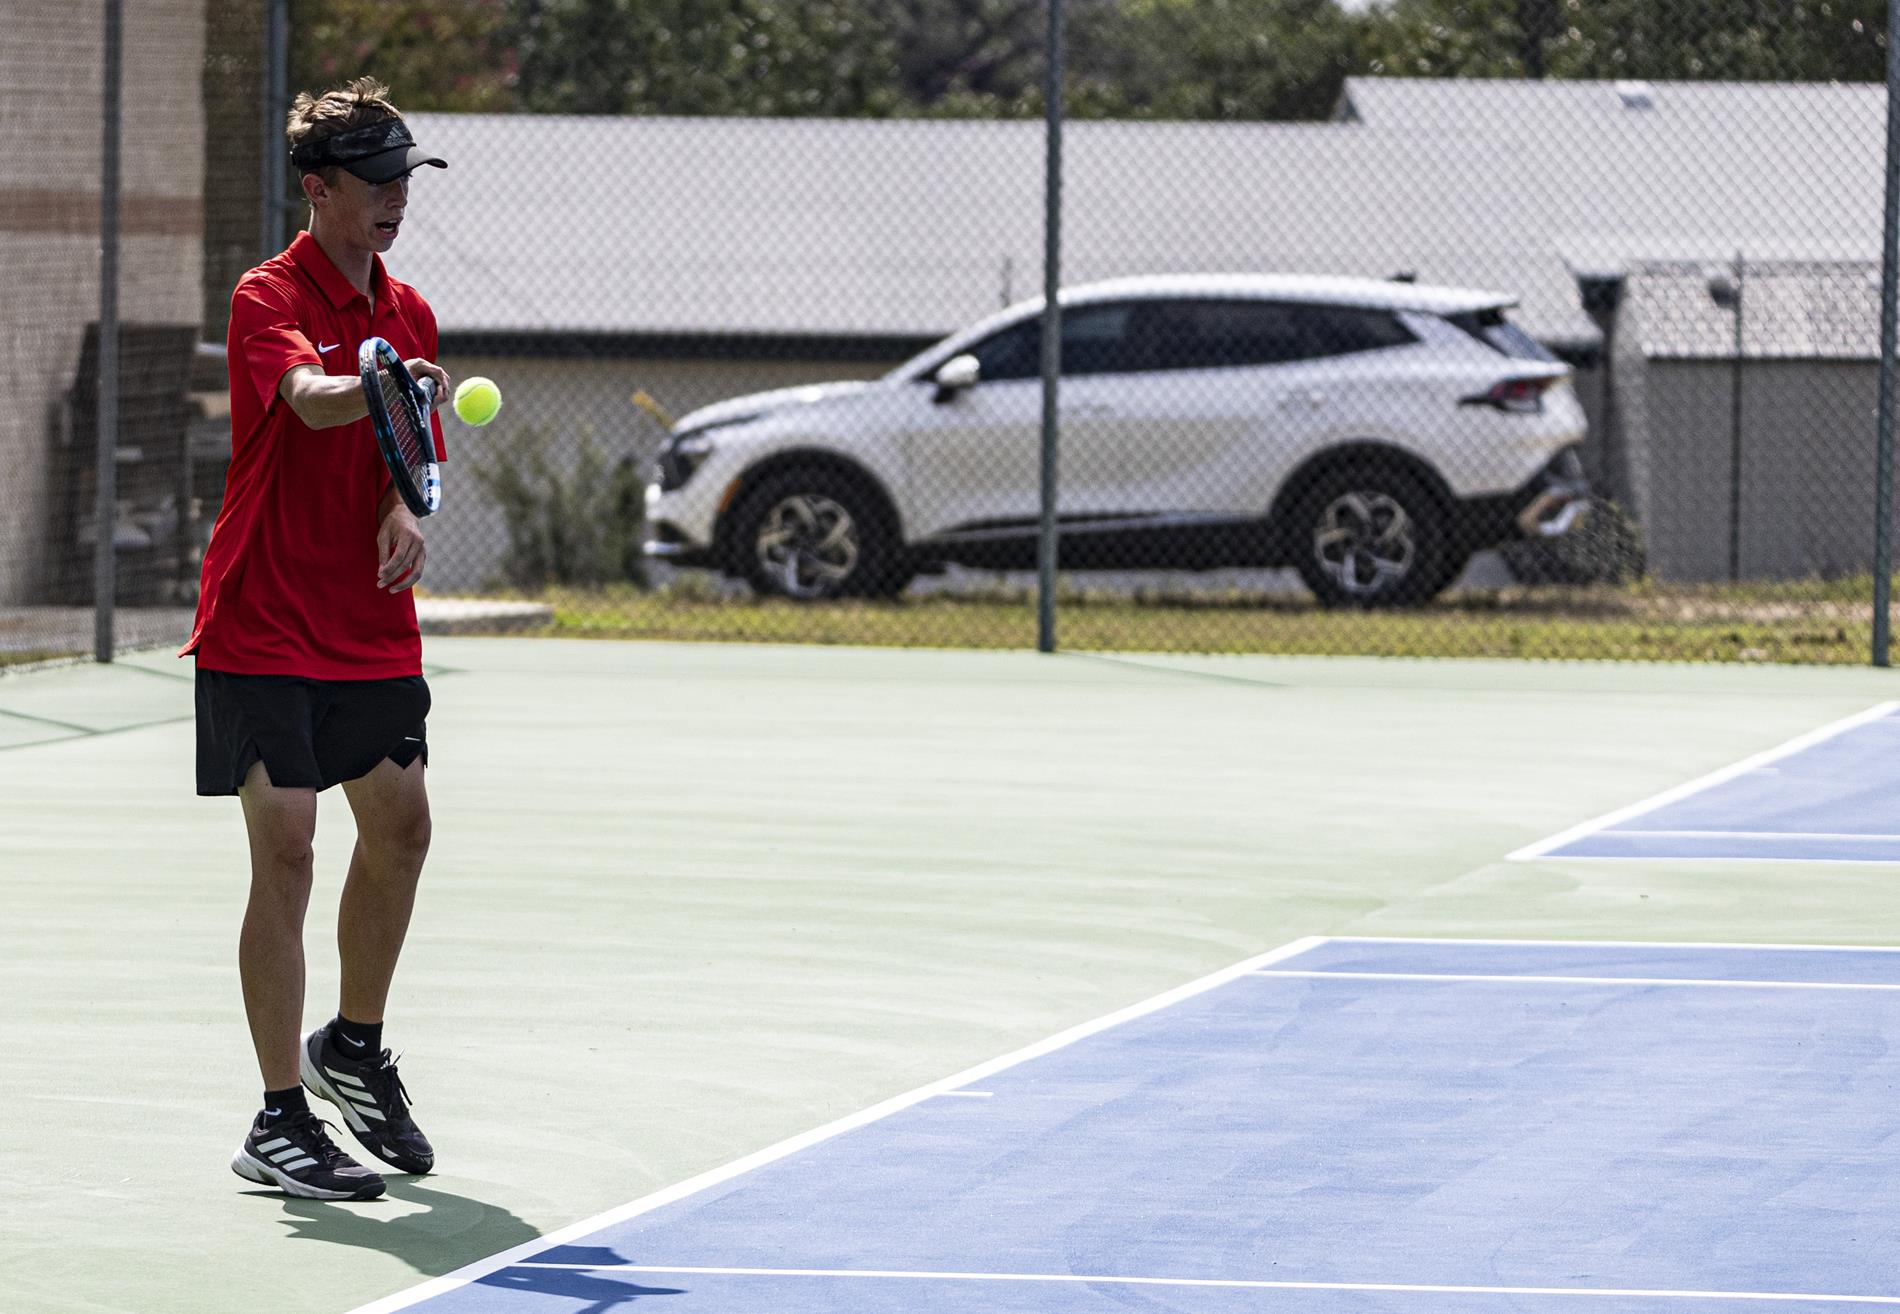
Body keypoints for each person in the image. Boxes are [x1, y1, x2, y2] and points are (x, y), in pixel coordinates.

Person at [181, 77, 452, 1201]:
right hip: (259, 618)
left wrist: (402, 511)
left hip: (365, 622)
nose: (397, 198)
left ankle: (352, 1046)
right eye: (376, 181)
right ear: (319, 188)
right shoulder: (265, 294)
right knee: (286, 845)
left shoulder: (412, 311)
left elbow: (412, 457)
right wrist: (368, 377)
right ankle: (277, 1116)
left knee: (403, 827)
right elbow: (305, 397)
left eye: (406, 179)